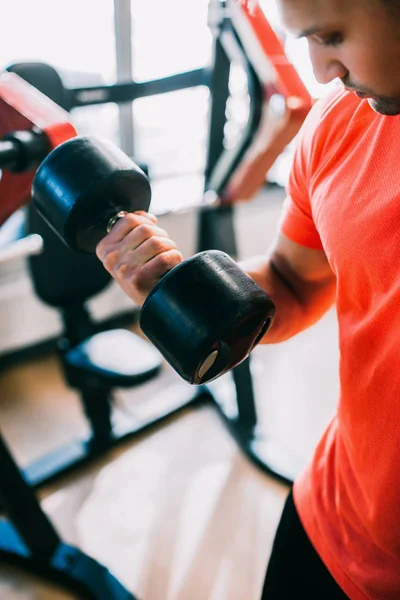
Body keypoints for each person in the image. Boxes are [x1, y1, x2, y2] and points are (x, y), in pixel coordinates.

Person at [96, 0, 400, 597]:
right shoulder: (341, 124)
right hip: (337, 518)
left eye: (333, 35)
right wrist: (185, 289)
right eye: (307, 40)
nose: (320, 71)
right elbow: (293, 281)